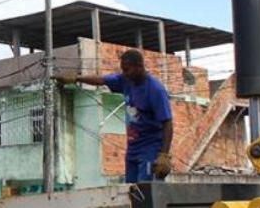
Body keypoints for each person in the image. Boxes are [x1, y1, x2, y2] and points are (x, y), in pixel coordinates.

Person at [55, 49, 173, 183]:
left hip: (150, 148)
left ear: (139, 66)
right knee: (132, 191)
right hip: (133, 148)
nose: (125, 73)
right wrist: (76, 78)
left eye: (127, 69)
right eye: (123, 70)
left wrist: (164, 154)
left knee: (147, 190)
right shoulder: (126, 80)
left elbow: (168, 122)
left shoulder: (155, 89)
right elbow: (102, 80)